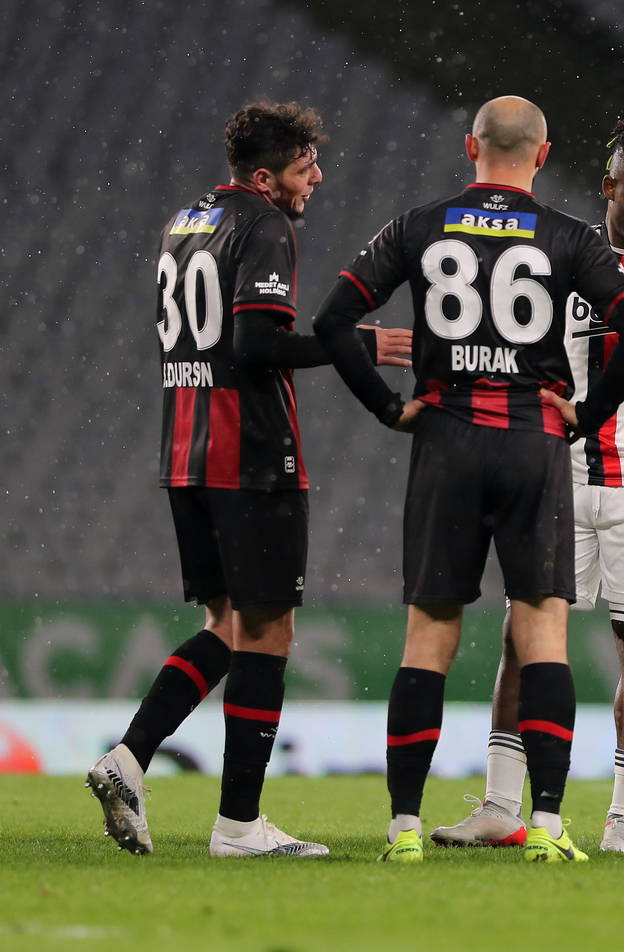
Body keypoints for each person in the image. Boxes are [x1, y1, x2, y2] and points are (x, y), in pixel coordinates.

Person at [313, 96, 624, 865]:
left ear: (472, 146)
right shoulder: (568, 236)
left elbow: (334, 322)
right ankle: (546, 824)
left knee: (429, 635)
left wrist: (389, 408)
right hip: (532, 444)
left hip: (446, 437)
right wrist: (585, 411)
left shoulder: (418, 225)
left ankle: (404, 827)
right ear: (541, 155)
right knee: (542, 632)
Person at [87, 101, 412, 858]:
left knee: (227, 624)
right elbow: (256, 341)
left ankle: (128, 757)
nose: (317, 179)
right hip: (251, 456)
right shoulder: (266, 225)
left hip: (186, 452)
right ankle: (238, 825)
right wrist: (353, 342)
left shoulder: (184, 222)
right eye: (304, 168)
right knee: (268, 631)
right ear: (265, 178)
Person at [429, 120, 624, 854]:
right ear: (608, 187)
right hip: (560, 470)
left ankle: (623, 818)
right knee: (521, 639)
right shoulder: (566, 248)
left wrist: (594, 281)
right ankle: (499, 805)